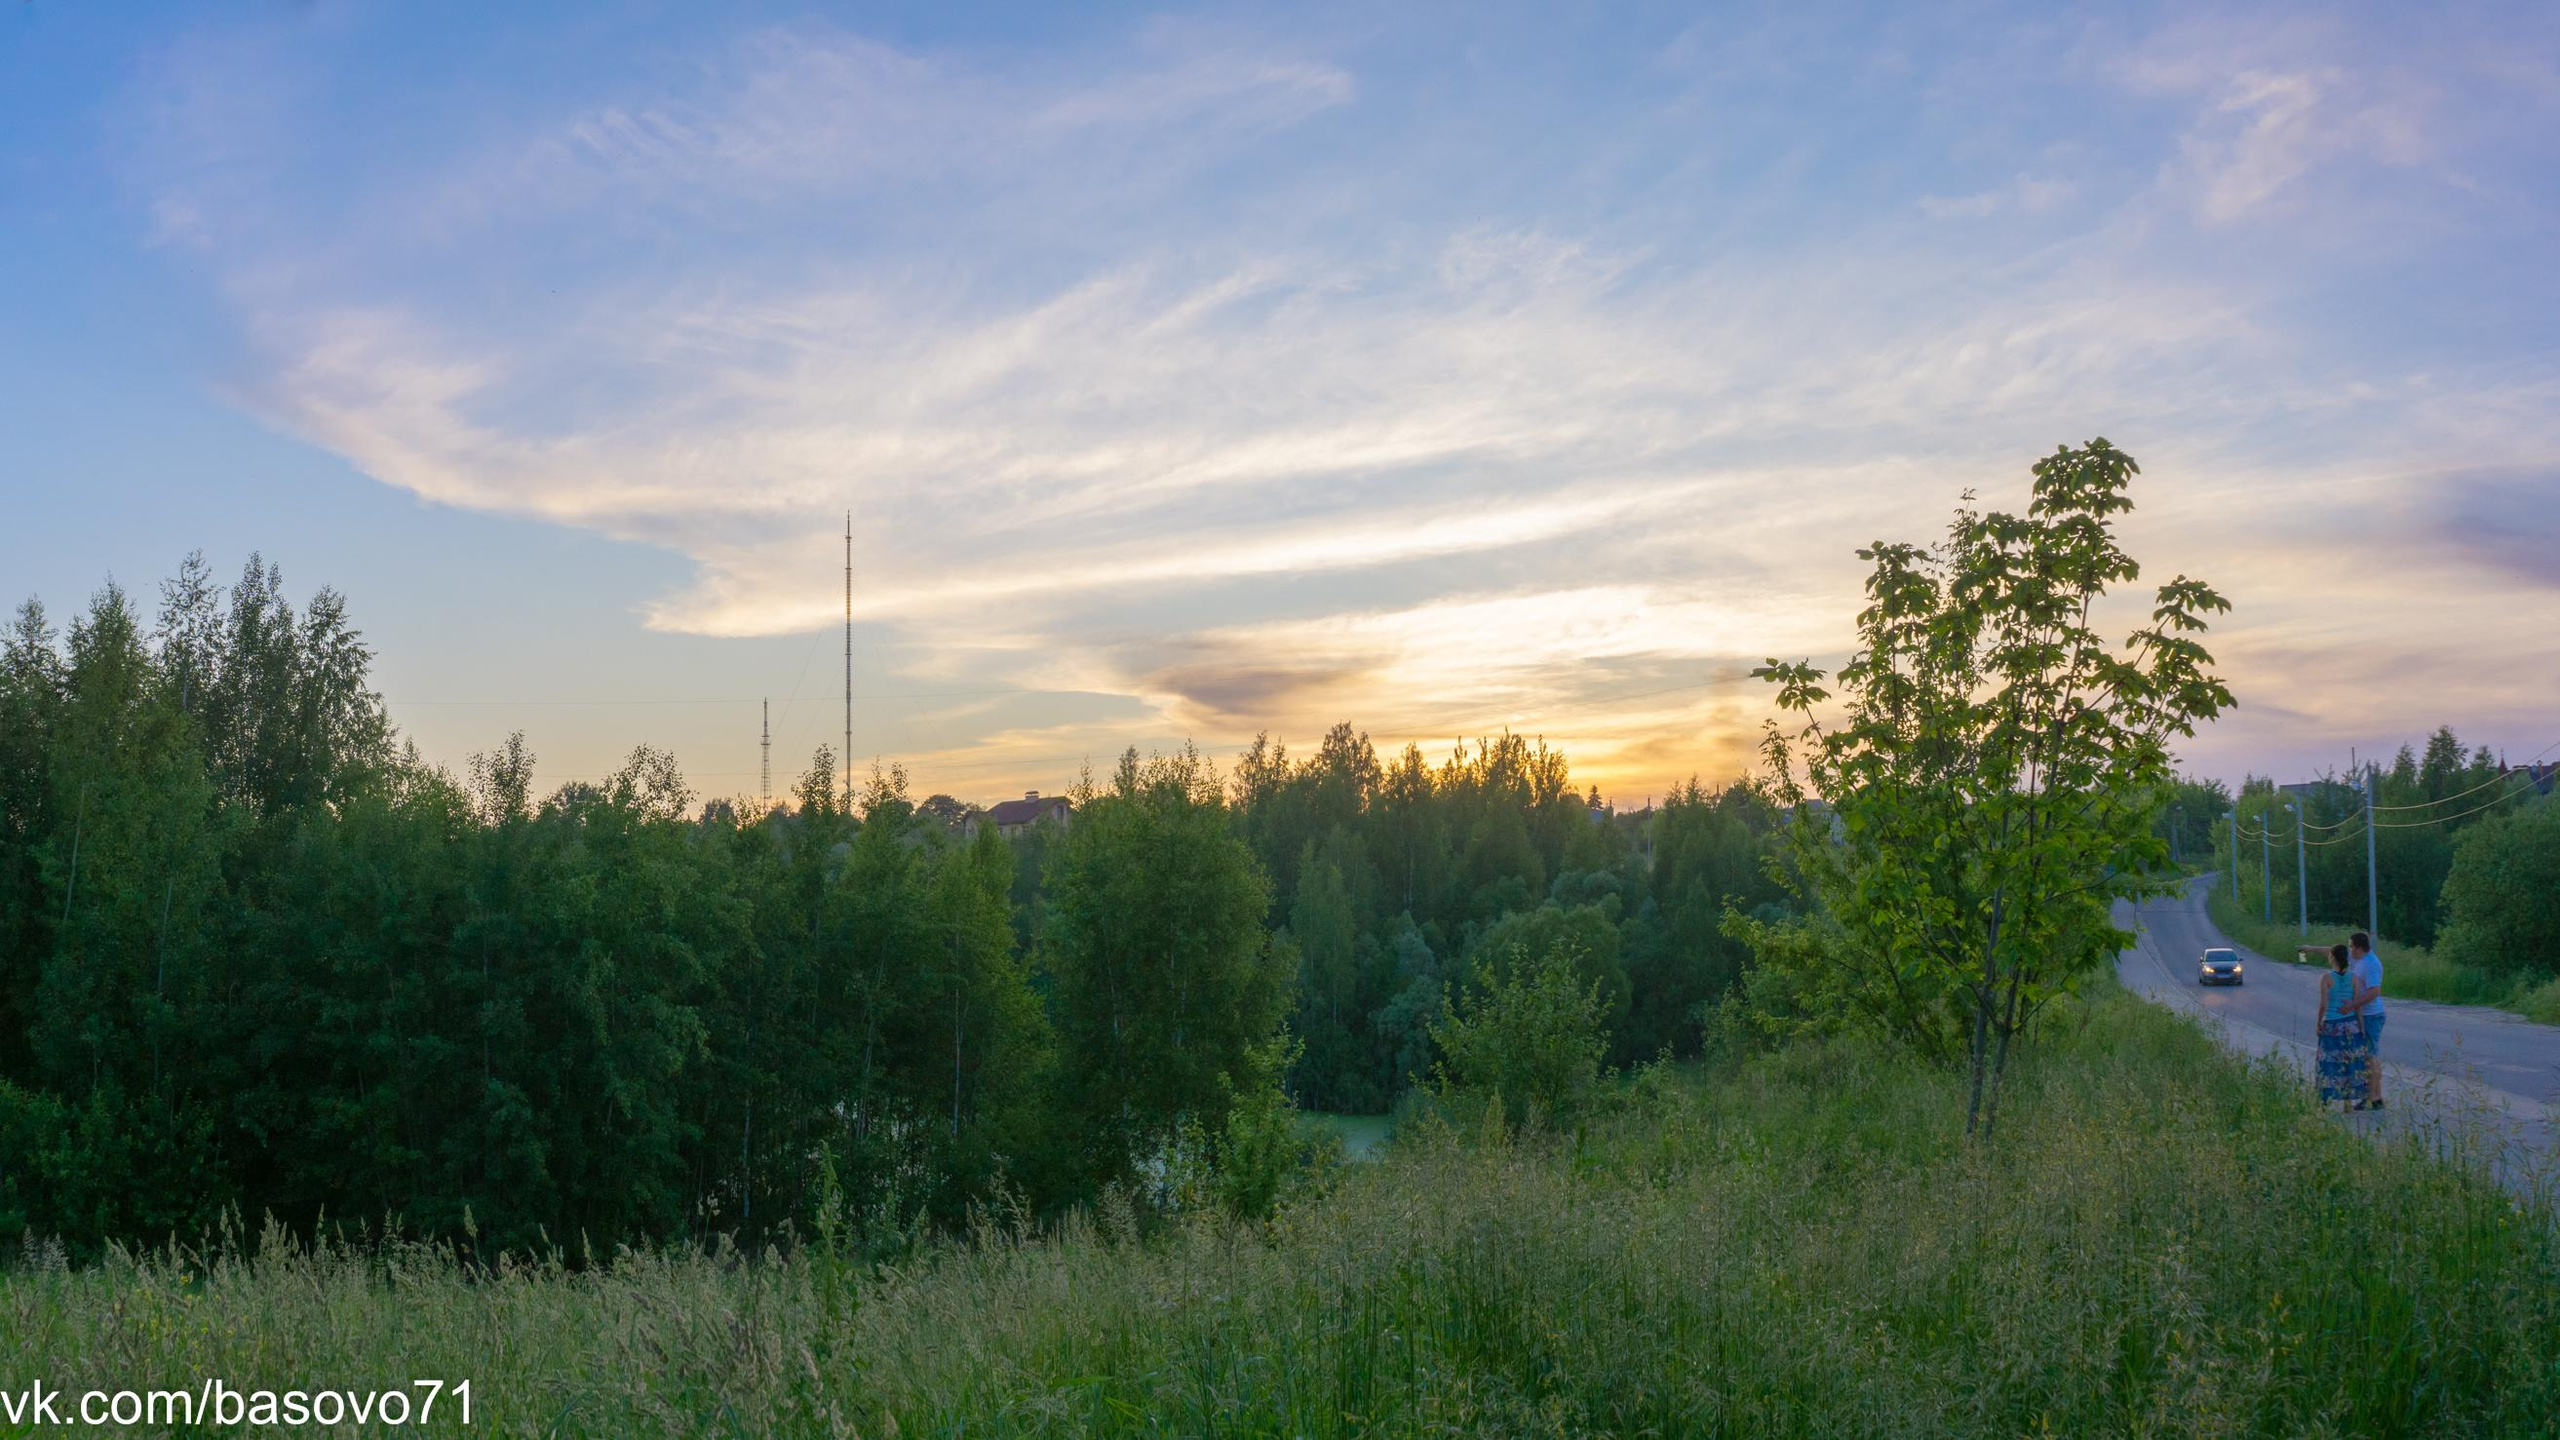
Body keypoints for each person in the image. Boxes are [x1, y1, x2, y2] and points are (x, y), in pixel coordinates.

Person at [2314, 942, 2372, 1112]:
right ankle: (2348, 1100)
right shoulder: (2353, 977)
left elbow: (2323, 1004)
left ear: (2332, 957)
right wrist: (2360, 1025)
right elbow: (2356, 1005)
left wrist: (2318, 1022)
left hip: (2332, 1025)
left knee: (2328, 1062)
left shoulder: (2326, 978)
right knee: (2350, 1062)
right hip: (2351, 1025)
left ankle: (2325, 1100)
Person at [2349, 930, 2385, 1109]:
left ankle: (2373, 1096)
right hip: (2365, 1014)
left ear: (2358, 948)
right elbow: (2333, 951)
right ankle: (2374, 1097)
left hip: (2371, 1015)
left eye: (2351, 946)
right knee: (2367, 1056)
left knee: (2371, 1056)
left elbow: (2374, 991)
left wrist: (2353, 1004)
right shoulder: (2360, 959)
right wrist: (2309, 949)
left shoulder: (2370, 964)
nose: (2350, 950)